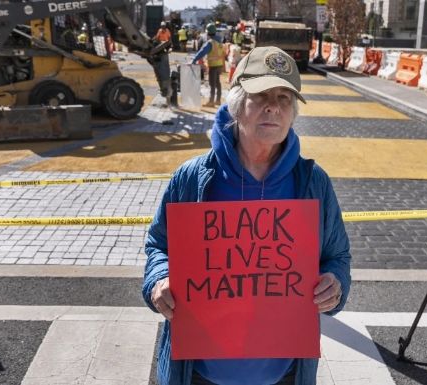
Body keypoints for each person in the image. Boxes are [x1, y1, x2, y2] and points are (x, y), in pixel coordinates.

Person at [143, 46, 351, 385]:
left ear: (293, 111)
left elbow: (337, 256)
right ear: (238, 103)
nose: (273, 106)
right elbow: (158, 245)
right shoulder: (192, 177)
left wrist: (336, 283)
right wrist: (159, 280)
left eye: (284, 97)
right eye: (262, 94)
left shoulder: (313, 183)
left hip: (283, 374)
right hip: (200, 374)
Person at [192, 23, 225, 107]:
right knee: (218, 83)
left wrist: (194, 60)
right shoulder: (219, 41)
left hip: (213, 66)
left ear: (208, 33)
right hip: (219, 65)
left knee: (212, 84)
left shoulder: (210, 43)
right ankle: (218, 100)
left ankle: (211, 101)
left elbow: (202, 52)